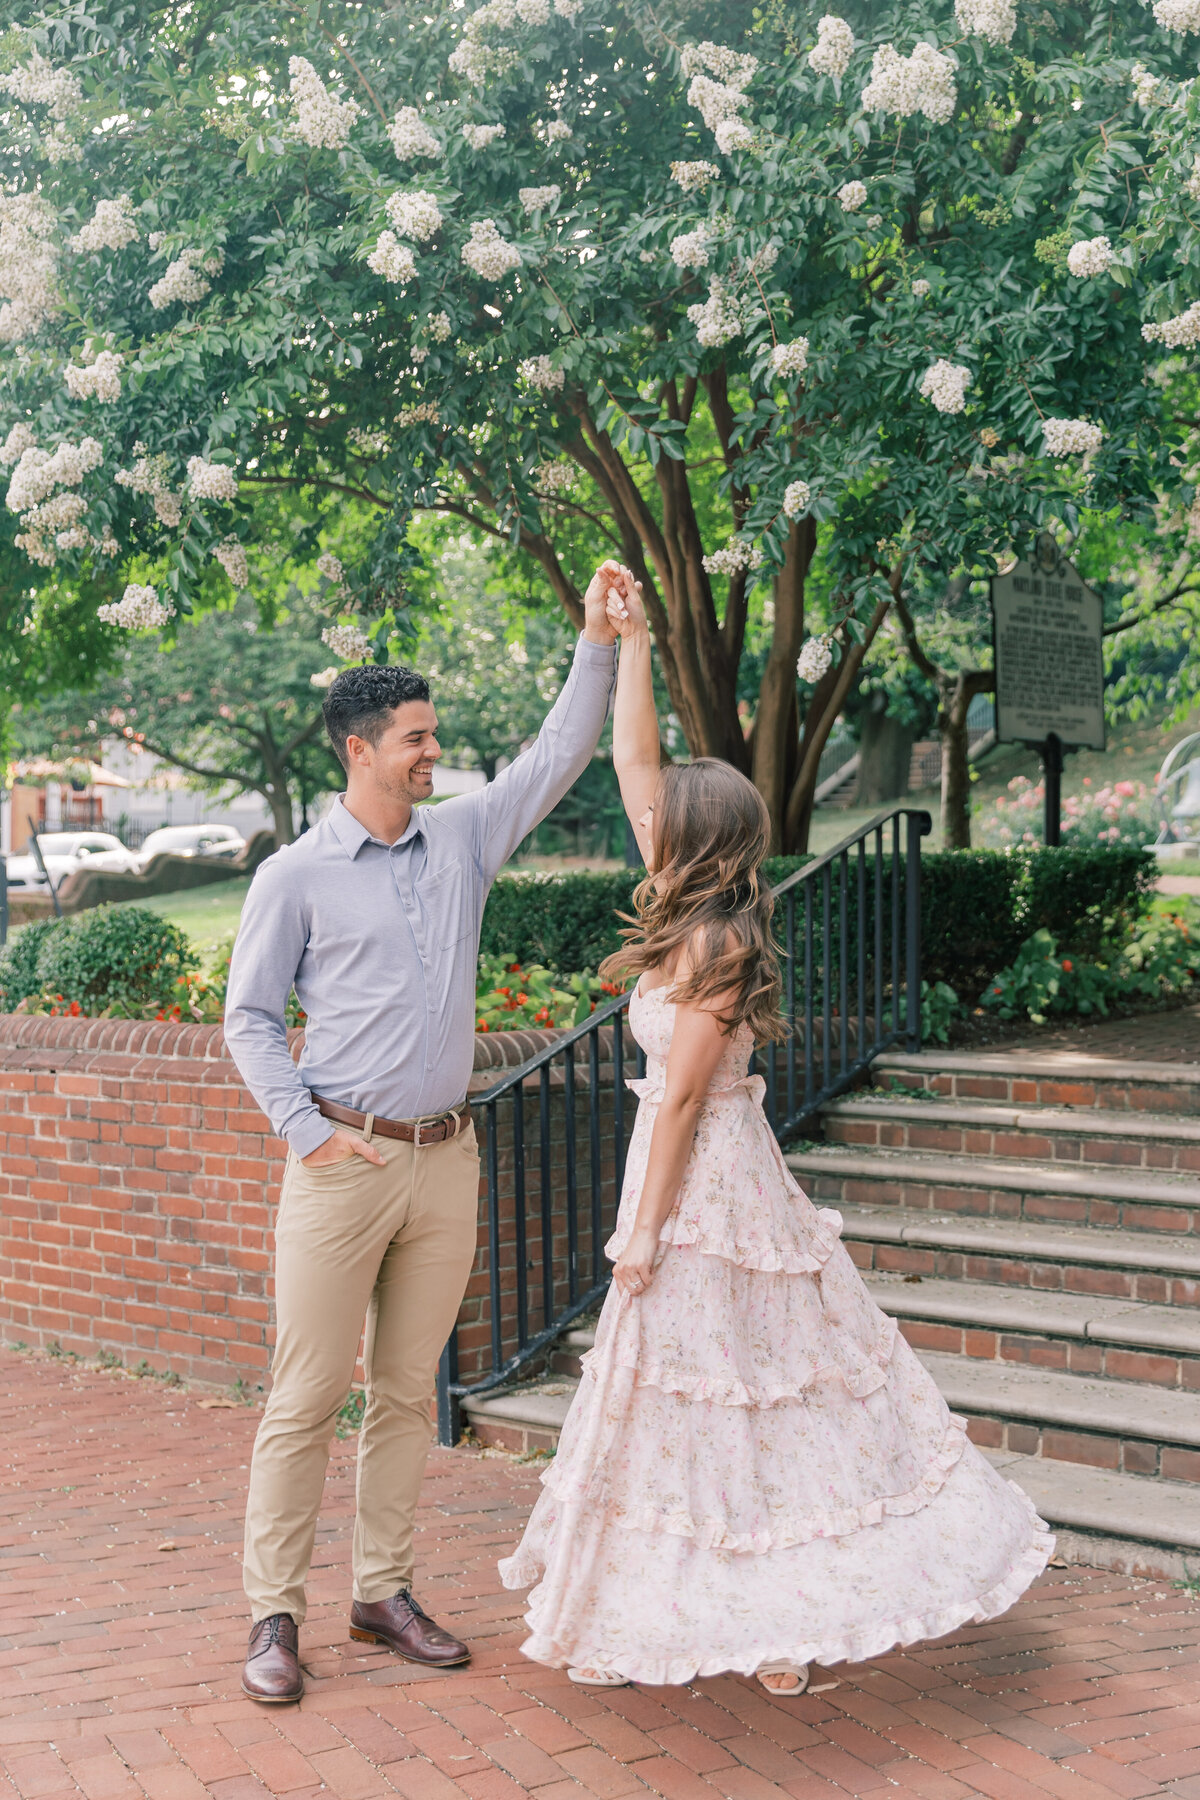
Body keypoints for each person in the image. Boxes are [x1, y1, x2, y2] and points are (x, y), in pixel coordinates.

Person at [499, 579, 1053, 1693]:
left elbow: (689, 1107)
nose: (648, 813)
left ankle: (771, 1621)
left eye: (668, 816)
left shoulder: (710, 947)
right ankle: (640, 1610)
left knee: (743, 1395)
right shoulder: (680, 900)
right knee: (670, 1398)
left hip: (710, 1195)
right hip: (675, 1175)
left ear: (696, 843)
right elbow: (633, 763)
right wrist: (637, 641)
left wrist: (643, 1233)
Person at [223, 562, 629, 1704]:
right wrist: (306, 1135)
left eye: (431, 734)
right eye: (412, 737)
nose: (430, 751)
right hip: (340, 1165)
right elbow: (248, 1020)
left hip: (446, 1159)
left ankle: (381, 1590)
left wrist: (594, 640)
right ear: (356, 749)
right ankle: (273, 1617)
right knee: (306, 1398)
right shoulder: (293, 876)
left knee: (407, 1394)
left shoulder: (461, 841)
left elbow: (558, 754)